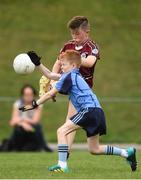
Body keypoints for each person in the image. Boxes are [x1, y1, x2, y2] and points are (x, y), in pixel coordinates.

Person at [19, 50, 137, 172]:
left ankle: (62, 165)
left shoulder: (69, 77)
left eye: (63, 65)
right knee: (94, 149)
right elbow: (50, 75)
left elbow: (50, 94)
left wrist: (34, 104)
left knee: (62, 131)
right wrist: (38, 64)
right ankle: (127, 153)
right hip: (97, 111)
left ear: (73, 65)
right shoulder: (73, 75)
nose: (61, 67)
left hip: (89, 110)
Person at [48, 16, 100, 154]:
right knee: (70, 123)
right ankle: (65, 157)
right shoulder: (68, 46)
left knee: (69, 124)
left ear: (87, 31)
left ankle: (64, 158)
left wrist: (74, 58)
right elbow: (58, 63)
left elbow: (89, 62)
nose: (74, 36)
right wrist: (53, 82)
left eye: (77, 33)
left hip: (83, 91)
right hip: (72, 89)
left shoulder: (92, 46)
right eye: (72, 33)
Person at [3, 84, 53, 152]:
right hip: (20, 133)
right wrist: (22, 124)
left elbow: (35, 121)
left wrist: (22, 120)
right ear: (23, 95)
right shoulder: (18, 104)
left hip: (32, 132)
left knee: (37, 127)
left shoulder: (37, 104)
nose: (28, 97)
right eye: (26, 94)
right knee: (18, 128)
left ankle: (40, 146)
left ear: (33, 95)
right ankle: (43, 146)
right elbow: (12, 122)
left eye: (30, 94)